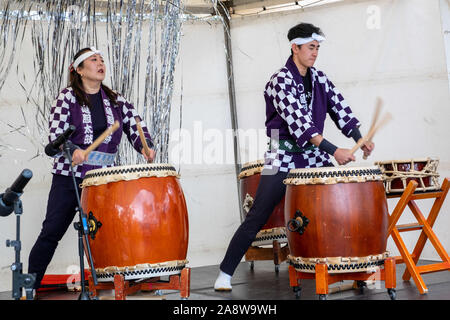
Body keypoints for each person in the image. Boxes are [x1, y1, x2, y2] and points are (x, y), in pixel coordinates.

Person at [214, 23, 374, 291]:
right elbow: (301, 126)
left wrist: (359, 138)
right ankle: (225, 273)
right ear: (295, 47)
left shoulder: (320, 78)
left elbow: (340, 109)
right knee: (258, 214)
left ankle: (350, 271)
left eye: (317, 48)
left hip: (313, 154)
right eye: (311, 48)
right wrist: (335, 151)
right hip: (282, 154)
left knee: (334, 208)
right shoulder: (280, 81)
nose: (315, 53)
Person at [28, 47, 156, 292]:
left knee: (113, 233)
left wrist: (145, 146)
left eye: (102, 60)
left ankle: (122, 281)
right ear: (79, 70)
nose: (100, 63)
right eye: (93, 60)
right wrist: (72, 148)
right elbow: (56, 133)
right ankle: (29, 285)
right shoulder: (66, 98)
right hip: (71, 178)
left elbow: (135, 125)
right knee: (52, 231)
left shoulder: (116, 100)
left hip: (105, 180)